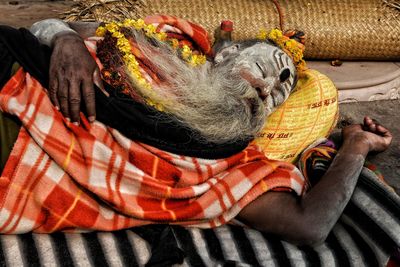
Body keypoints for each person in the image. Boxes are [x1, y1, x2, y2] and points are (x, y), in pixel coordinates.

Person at [0, 18, 393, 246]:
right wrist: (65, 39)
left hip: (16, 161)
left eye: (280, 91)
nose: (270, 87)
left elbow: (310, 225)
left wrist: (355, 147)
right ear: (226, 55)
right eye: (270, 68)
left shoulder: (239, 165)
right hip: (15, 76)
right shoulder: (163, 43)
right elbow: (49, 25)